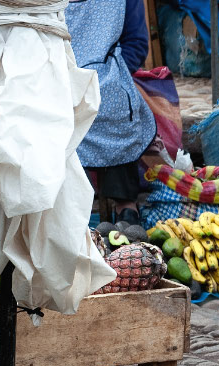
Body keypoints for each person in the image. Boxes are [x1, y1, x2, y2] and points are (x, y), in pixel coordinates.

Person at [66, 0, 157, 225]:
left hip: (93, 77)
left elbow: (136, 43)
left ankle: (124, 208)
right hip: (68, 76)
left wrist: (115, 72)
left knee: (111, 108)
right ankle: (120, 207)